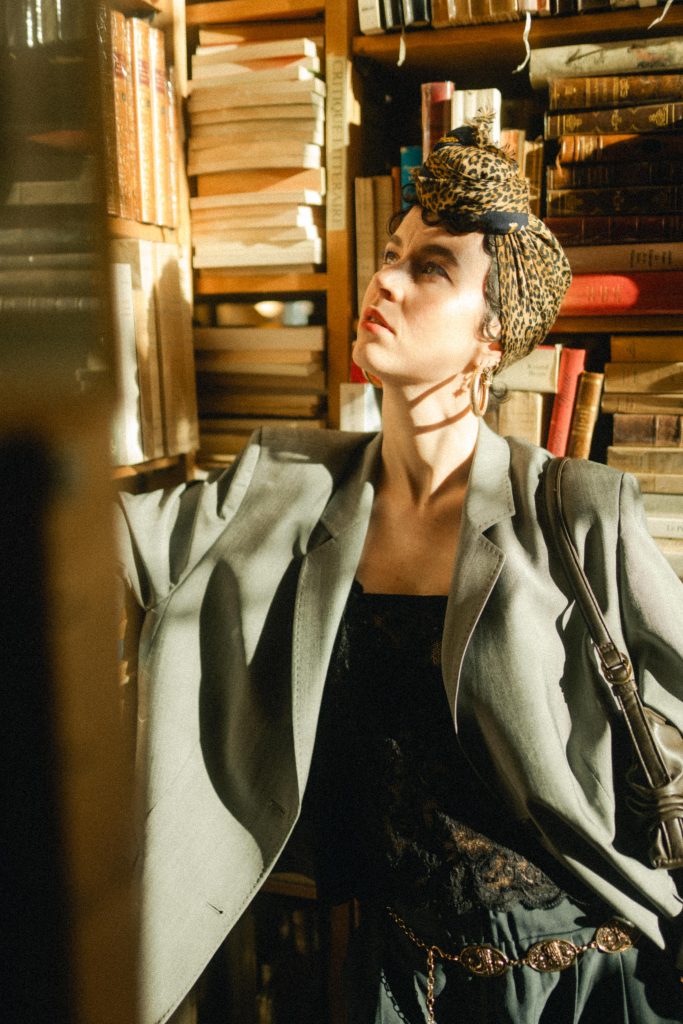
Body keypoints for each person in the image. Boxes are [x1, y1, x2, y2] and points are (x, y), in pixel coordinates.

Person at [117, 116, 683, 1024]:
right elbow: (90, 535)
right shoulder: (287, 482)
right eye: (390, 255)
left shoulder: (578, 510)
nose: (383, 280)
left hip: (577, 980)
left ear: (491, 337)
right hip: (395, 976)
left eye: (430, 269)